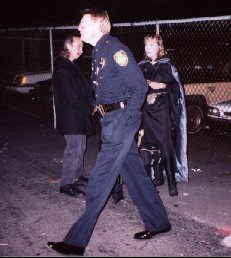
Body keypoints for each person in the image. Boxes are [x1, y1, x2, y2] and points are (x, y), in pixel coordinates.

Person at [47, 8, 171, 256]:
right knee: (136, 175)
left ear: (99, 26)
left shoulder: (115, 49)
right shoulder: (98, 51)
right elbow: (106, 86)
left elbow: (138, 86)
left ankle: (75, 241)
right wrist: (97, 106)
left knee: (100, 180)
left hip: (120, 122)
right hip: (111, 119)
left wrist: (127, 116)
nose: (79, 27)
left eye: (83, 23)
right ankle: (159, 222)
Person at [139, 34, 188, 197]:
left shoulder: (167, 64)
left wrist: (162, 85)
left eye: (151, 44)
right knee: (148, 146)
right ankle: (157, 178)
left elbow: (177, 87)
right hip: (146, 110)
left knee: (165, 145)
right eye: (146, 44)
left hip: (162, 111)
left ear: (160, 46)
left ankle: (172, 184)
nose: (148, 48)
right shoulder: (141, 65)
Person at [52, 35, 95, 197]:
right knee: (73, 149)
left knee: (81, 147)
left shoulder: (72, 65)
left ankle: (77, 175)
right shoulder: (62, 68)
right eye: (79, 46)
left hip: (78, 114)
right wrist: (90, 108)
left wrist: (93, 100)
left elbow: (84, 87)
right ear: (68, 47)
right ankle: (66, 183)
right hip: (71, 115)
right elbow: (71, 96)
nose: (82, 50)